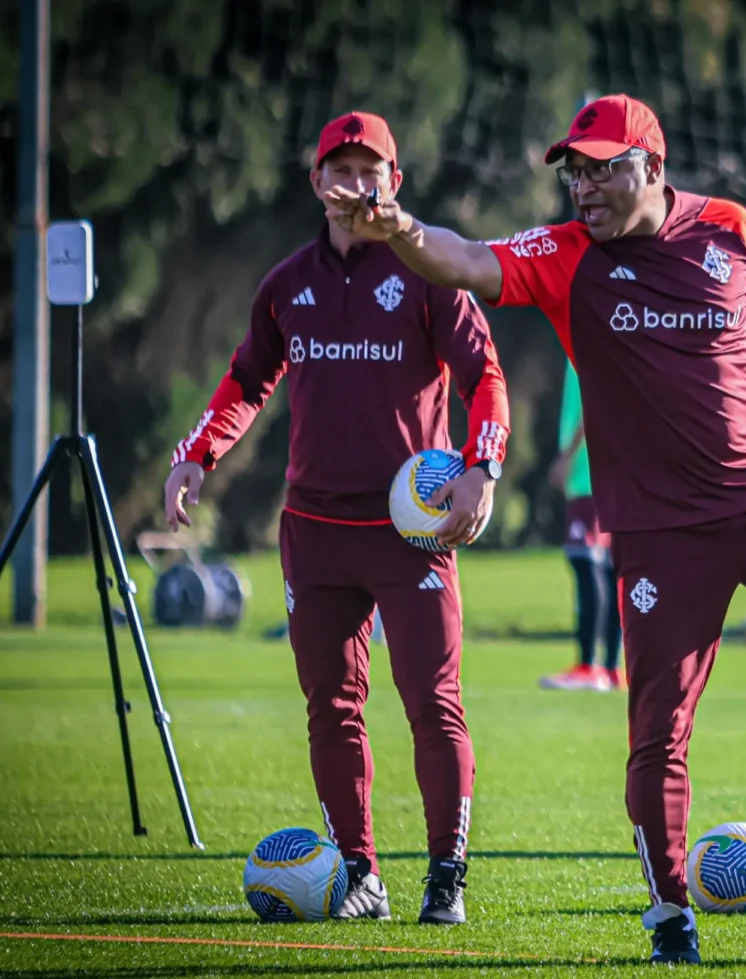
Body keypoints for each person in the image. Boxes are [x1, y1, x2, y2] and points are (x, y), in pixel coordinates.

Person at [320, 93, 746, 964]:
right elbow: (463, 261)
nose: (584, 187)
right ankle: (669, 914)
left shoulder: (730, 228)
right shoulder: (564, 254)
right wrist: (397, 227)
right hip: (660, 533)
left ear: (651, 167)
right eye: (574, 170)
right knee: (659, 733)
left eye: (602, 168)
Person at [163, 112, 510, 926]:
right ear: (316, 181)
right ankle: (361, 874)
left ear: (396, 184)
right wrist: (196, 454)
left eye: (371, 171)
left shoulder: (428, 275)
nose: (355, 185)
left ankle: (445, 877)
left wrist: (481, 467)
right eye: (340, 170)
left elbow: (485, 377)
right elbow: (247, 379)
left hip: (411, 532)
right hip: (314, 533)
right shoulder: (286, 284)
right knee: (332, 707)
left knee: (435, 703)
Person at [539, 360, 624, 691]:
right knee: (608, 570)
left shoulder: (585, 346)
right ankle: (611, 668)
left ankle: (589, 666)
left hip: (588, 476)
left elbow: (595, 402)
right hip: (609, 476)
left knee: (585, 563)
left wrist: (566, 456)